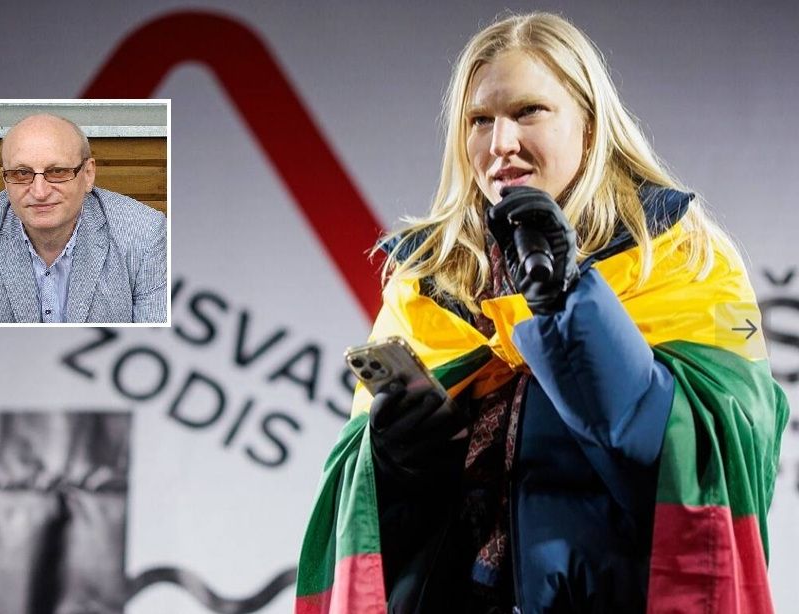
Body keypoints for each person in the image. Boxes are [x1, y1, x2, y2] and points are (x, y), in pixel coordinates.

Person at [296, 12, 789, 614]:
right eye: (480, 120)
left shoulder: (678, 256)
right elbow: (368, 537)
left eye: (528, 111)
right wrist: (397, 463)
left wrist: (572, 305)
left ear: (590, 122)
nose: (500, 142)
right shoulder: (426, 281)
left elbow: (698, 466)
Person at [0, 113, 167, 324]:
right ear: (5, 180)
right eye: (22, 173)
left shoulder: (145, 235)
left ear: (88, 174)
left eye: (57, 172)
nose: (39, 192)